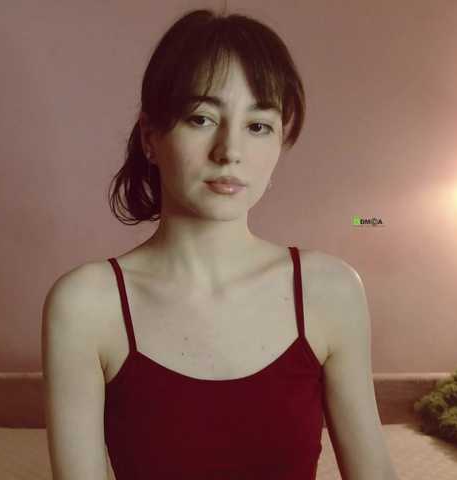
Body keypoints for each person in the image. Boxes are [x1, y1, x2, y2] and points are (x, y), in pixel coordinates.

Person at [43, 7, 399, 480]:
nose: (230, 151)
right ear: (150, 137)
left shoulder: (331, 291)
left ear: (280, 142)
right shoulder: (85, 305)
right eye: (201, 118)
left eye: (258, 126)